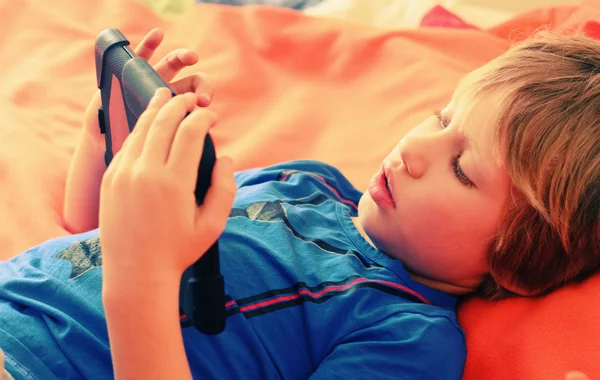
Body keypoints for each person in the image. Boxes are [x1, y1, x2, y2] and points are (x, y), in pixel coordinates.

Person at [0, 28, 598, 379]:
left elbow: (134, 263)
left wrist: (140, 285)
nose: (414, 147)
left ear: (514, 261)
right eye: (441, 117)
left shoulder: (408, 338)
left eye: (463, 168)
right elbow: (94, 233)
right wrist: (111, 137)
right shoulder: (310, 182)